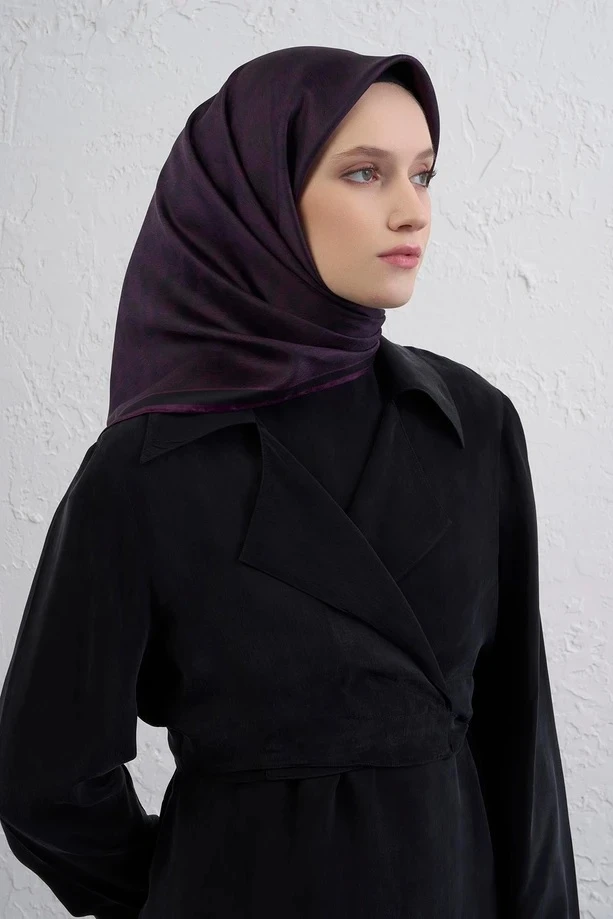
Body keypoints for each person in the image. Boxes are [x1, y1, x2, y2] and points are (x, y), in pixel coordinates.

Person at [0, 45, 580, 918]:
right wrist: (186, 883)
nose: (411, 209)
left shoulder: (474, 425)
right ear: (258, 195)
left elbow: (518, 738)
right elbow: (44, 777)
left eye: (422, 173)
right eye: (363, 172)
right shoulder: (147, 466)